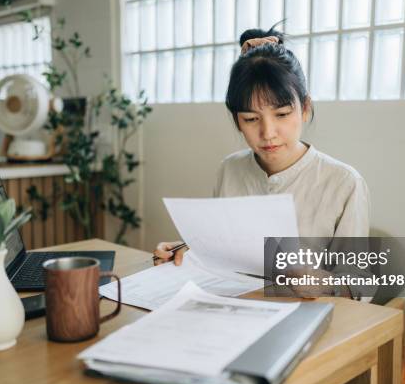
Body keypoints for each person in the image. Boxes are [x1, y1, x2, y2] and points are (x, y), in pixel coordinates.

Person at [154, 25, 374, 299]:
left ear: (305, 108)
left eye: (281, 114)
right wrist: (187, 252)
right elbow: (221, 252)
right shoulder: (229, 169)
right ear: (236, 120)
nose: (268, 133)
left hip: (307, 316)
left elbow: (361, 284)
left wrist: (326, 284)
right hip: (234, 309)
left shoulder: (344, 182)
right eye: (250, 119)